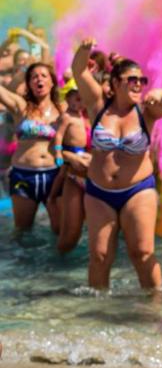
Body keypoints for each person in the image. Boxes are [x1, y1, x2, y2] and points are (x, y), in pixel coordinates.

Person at [71, 41, 162, 290]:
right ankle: (97, 309)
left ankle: (156, 304)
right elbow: (78, 70)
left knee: (142, 253)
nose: (138, 84)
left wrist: (161, 94)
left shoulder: (147, 111)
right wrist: (84, 49)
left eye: (142, 80)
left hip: (137, 191)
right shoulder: (98, 105)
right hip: (99, 193)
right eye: (132, 80)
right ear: (116, 83)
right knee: (99, 257)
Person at [0, 62, 62, 232]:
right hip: (23, 175)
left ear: (52, 82)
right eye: (34, 77)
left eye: (43, 76)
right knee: (22, 232)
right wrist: (22, 70)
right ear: (28, 84)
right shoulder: (21, 107)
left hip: (54, 176)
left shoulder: (62, 109)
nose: (39, 79)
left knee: (59, 231)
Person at [52, 88, 91, 253]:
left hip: (91, 167)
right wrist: (59, 153)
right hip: (75, 163)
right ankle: (52, 199)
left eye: (82, 99)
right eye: (77, 99)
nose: (80, 103)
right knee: (69, 236)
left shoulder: (84, 116)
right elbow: (58, 136)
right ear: (68, 100)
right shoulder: (67, 117)